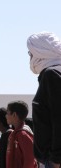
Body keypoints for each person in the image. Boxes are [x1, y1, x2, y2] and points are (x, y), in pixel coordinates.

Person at [27, 31, 61, 168]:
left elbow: (59, 119)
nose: (29, 58)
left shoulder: (51, 75)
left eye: (30, 53)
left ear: (40, 52)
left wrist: (56, 159)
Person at [5, 100, 37, 168]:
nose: (6, 116)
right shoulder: (15, 133)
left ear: (14, 115)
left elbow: (30, 160)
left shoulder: (22, 134)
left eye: (7, 113)